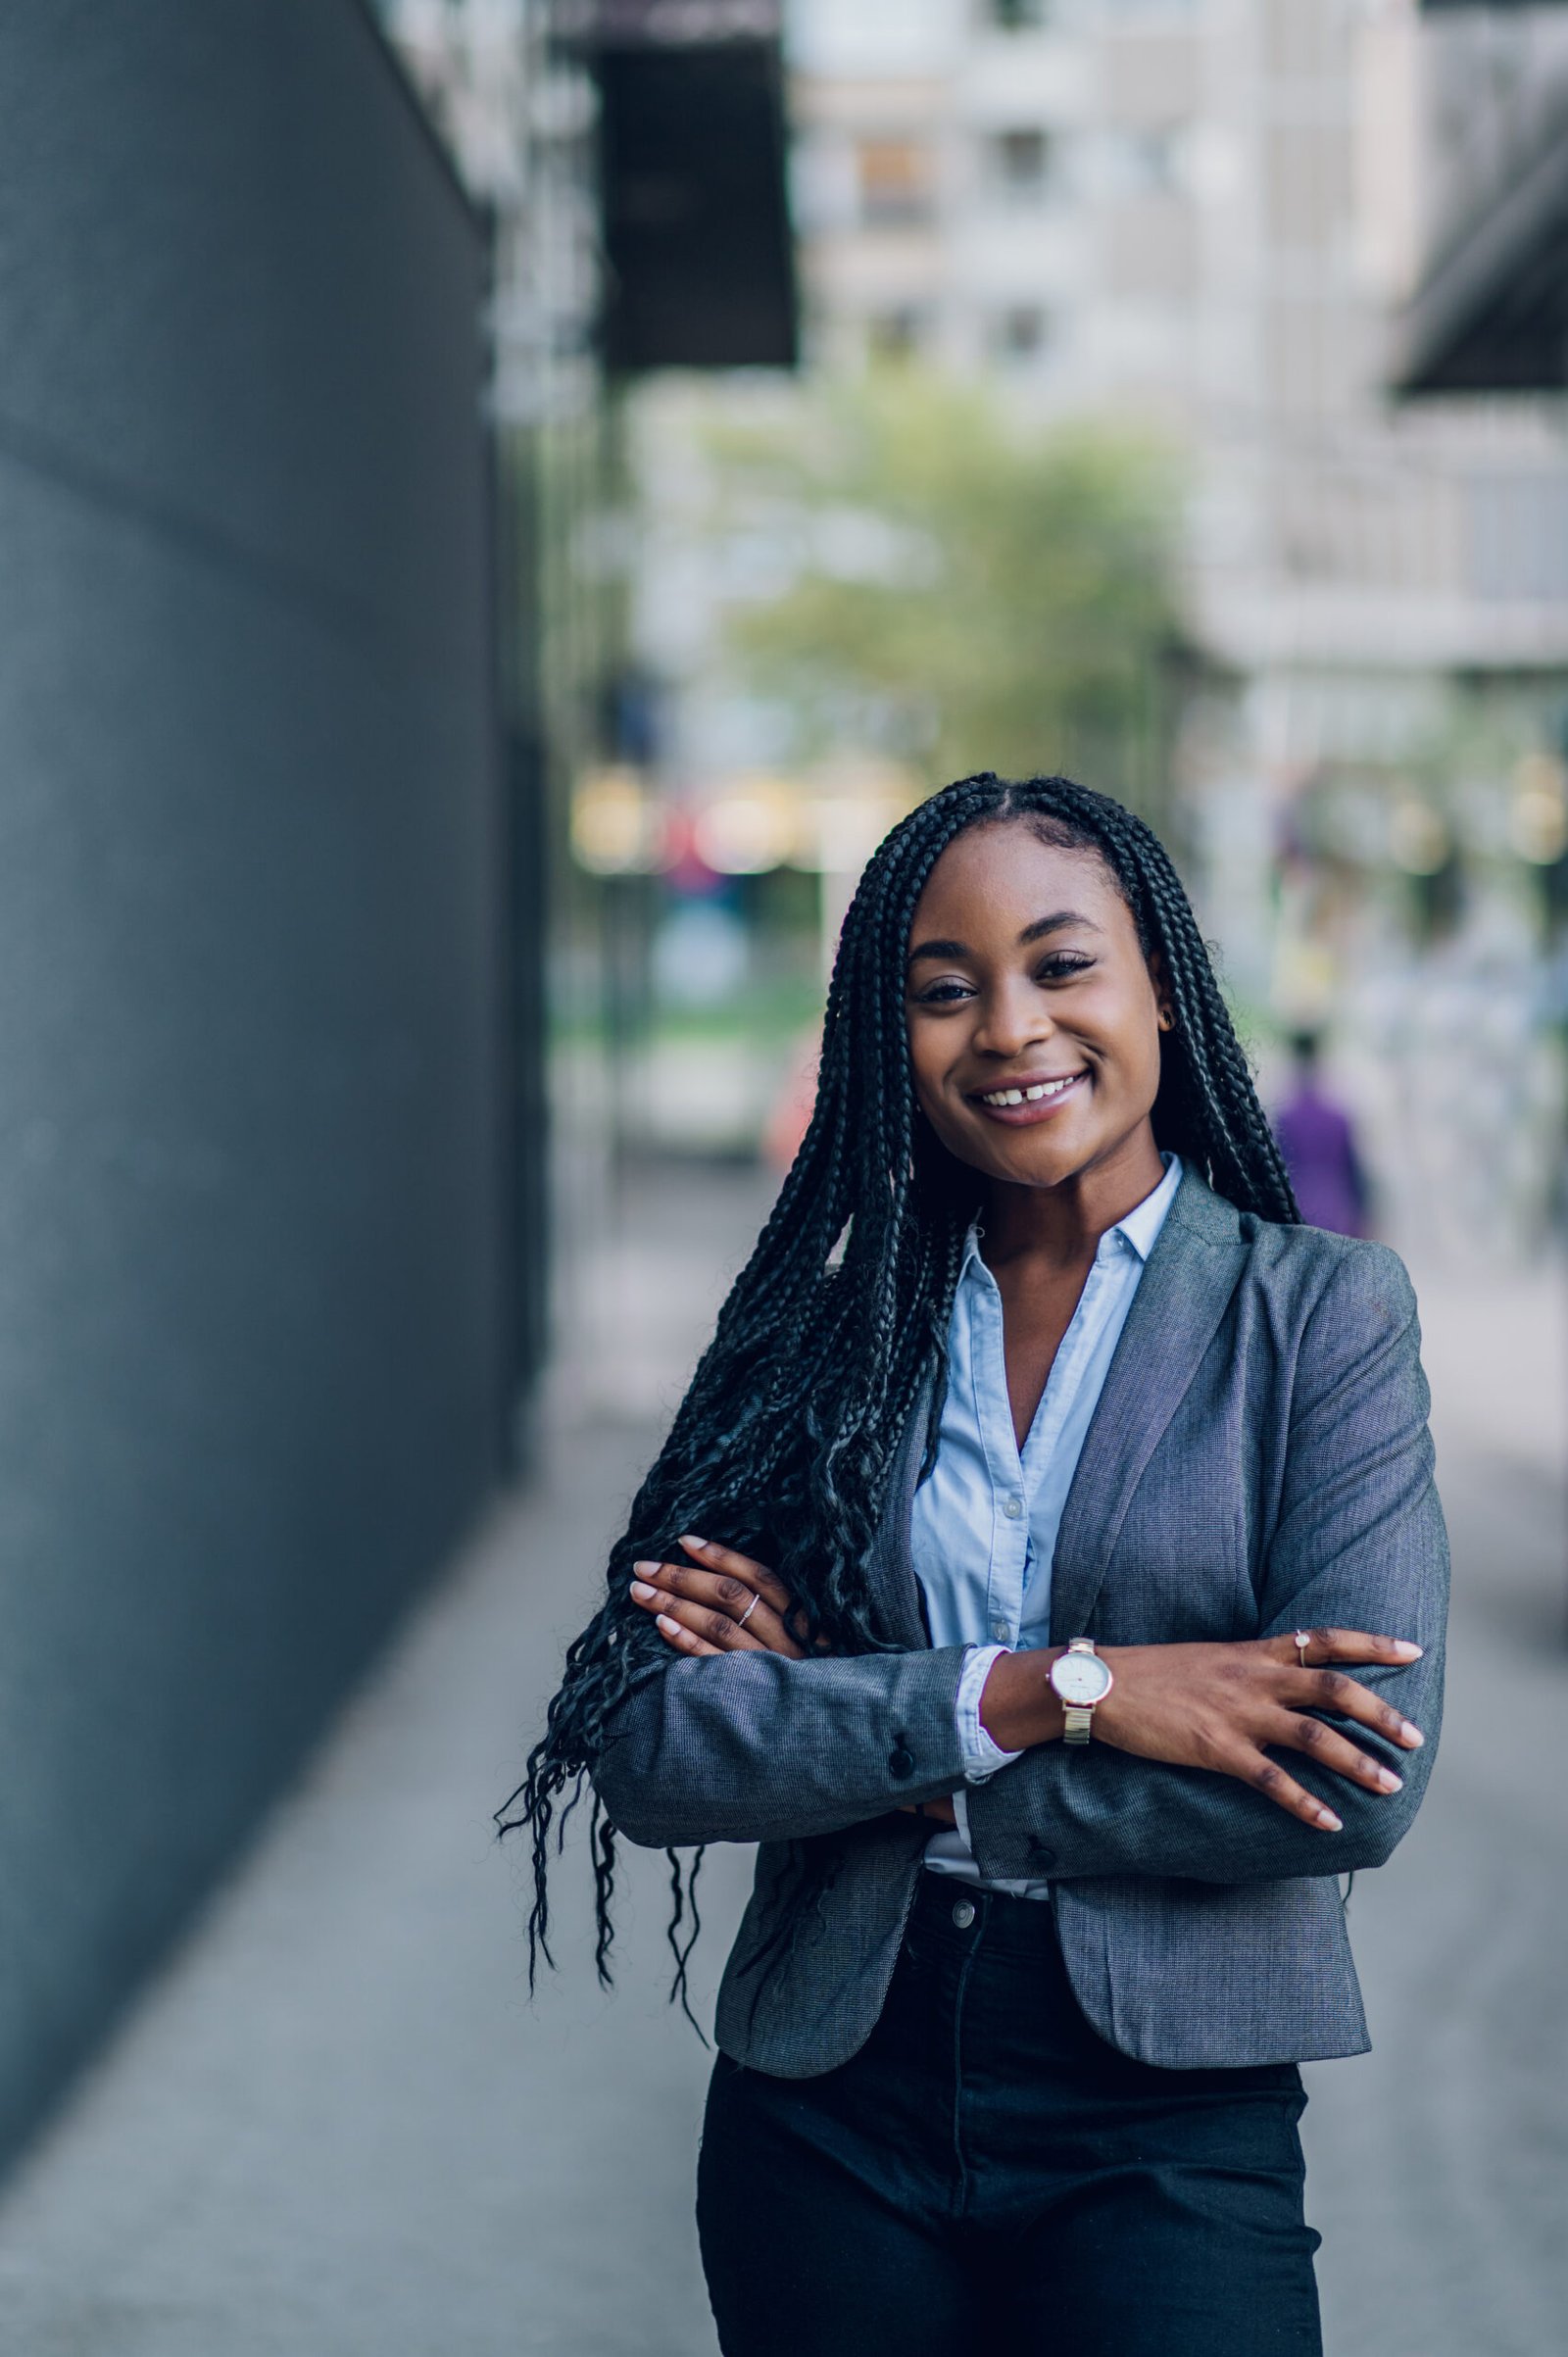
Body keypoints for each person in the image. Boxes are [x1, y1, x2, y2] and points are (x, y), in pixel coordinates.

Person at [503, 774, 1446, 2357]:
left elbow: (1352, 1780)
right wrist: (1059, 1692)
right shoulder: (829, 1327)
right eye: (945, 991)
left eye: (1063, 965)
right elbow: (657, 1746)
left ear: (1162, 983)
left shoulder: (1321, 1322)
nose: (1010, 1029)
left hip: (1165, 2120)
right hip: (829, 2108)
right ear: (894, 1033)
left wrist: (856, 1722)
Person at [1274, 1029, 1372, 1237]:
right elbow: (1353, 1172)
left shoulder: (1285, 1117)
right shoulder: (1338, 1116)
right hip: (1337, 1213)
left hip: (1296, 1213)